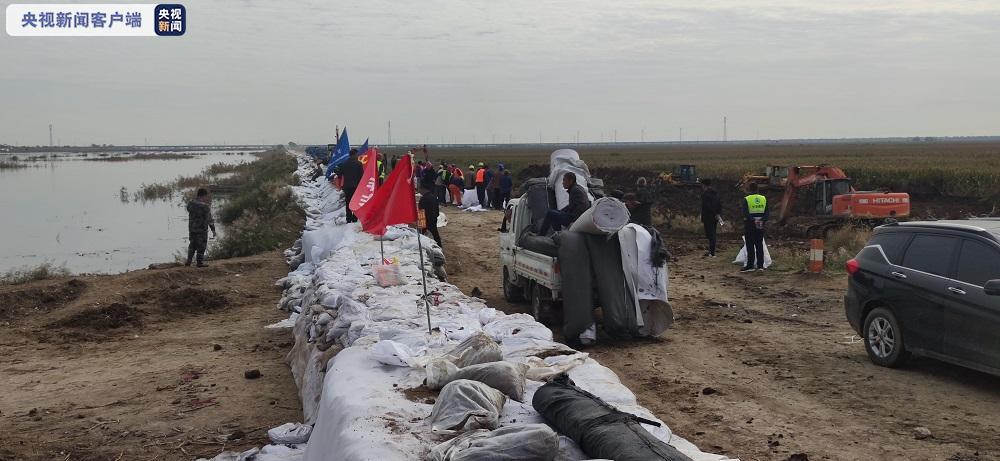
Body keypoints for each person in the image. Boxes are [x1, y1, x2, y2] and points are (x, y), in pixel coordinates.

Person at [186, 188, 217, 267]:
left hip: (192, 229)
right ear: (203, 196)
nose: (207, 199)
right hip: (201, 230)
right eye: (206, 197)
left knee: (192, 245)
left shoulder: (190, 204)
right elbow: (209, 219)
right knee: (201, 246)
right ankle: (199, 262)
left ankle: (188, 261)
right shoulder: (205, 207)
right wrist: (213, 230)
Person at [741, 183, 769, 272]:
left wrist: (753, 220)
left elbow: (745, 213)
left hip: (750, 224)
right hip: (760, 224)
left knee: (750, 245)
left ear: (749, 189)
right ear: (757, 189)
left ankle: (750, 265)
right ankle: (760, 266)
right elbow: (767, 213)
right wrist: (761, 220)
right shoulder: (763, 199)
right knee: (759, 245)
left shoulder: (747, 199)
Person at [337, 149, 364, 223]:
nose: (357, 156)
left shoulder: (343, 163)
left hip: (347, 187)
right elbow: (362, 176)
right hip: (356, 187)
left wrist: (340, 185)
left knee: (348, 202)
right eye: (357, 154)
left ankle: (348, 219)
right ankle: (354, 219)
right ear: (354, 155)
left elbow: (339, 175)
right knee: (356, 203)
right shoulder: (359, 164)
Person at [700, 179, 723, 257]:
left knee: (711, 235)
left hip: (708, 216)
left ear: (703, 185)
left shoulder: (705, 194)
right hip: (715, 217)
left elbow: (707, 206)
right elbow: (720, 204)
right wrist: (718, 213)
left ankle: (712, 252)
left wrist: (713, 213)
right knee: (712, 234)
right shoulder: (716, 193)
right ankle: (711, 251)